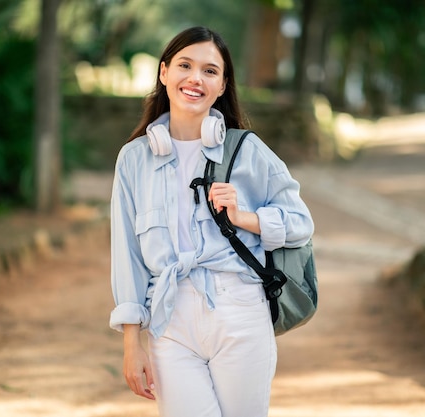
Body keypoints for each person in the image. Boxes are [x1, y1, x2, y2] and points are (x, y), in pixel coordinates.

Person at [109, 26, 314, 417]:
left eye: (209, 71)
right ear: (164, 72)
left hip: (239, 312)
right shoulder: (133, 160)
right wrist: (132, 343)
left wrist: (246, 218)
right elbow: (127, 256)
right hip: (169, 320)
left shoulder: (248, 151)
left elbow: (301, 222)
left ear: (222, 86)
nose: (195, 79)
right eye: (185, 65)